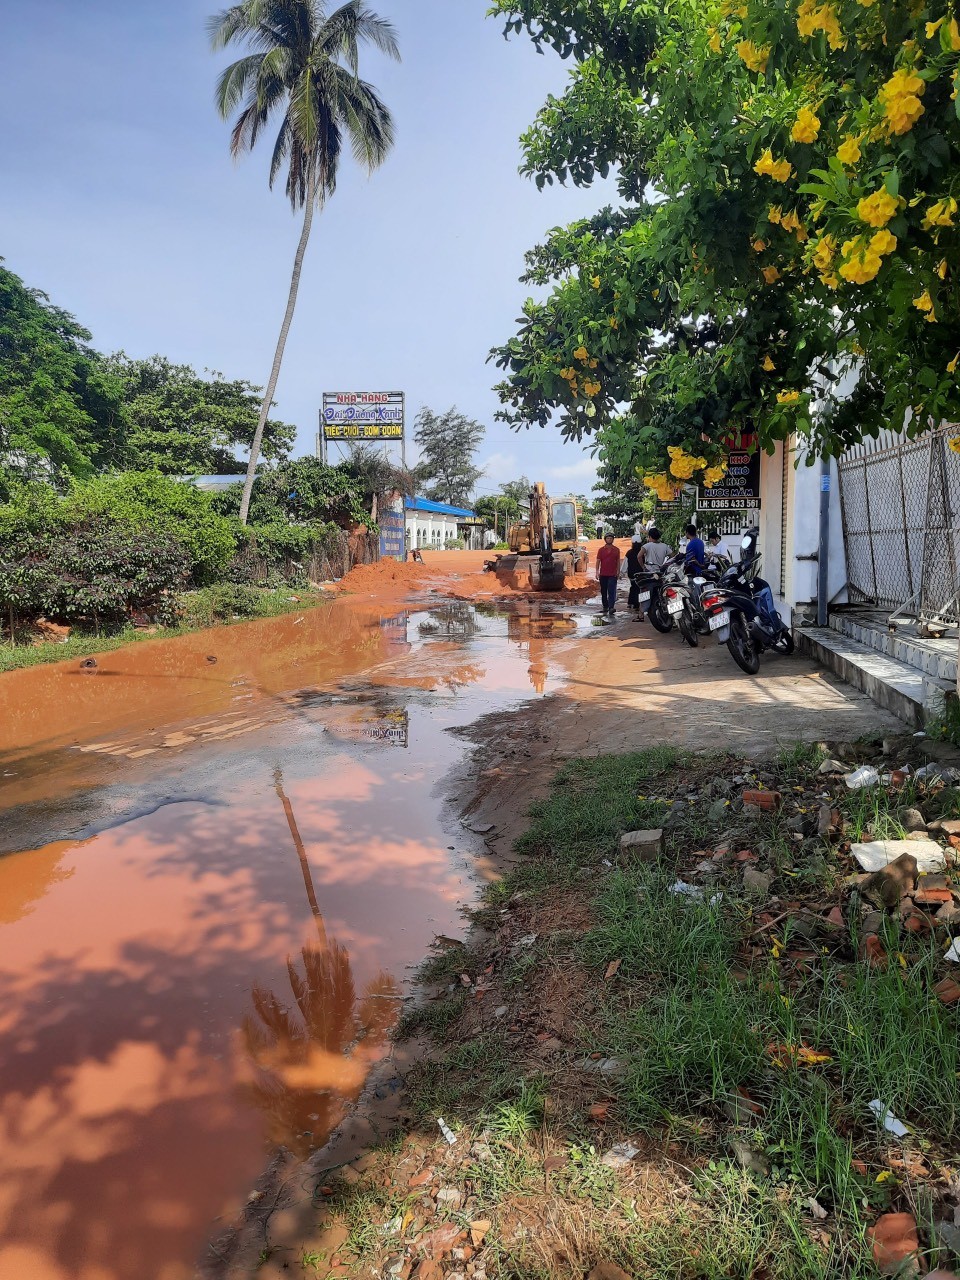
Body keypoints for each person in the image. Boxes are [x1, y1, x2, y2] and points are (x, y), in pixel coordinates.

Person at [595, 532, 621, 616]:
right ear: (605, 539)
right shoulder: (601, 550)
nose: (609, 539)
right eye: (608, 538)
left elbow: (618, 562)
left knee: (612, 591)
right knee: (603, 591)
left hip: (612, 574)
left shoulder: (616, 550)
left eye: (611, 538)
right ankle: (605, 606)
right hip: (603, 574)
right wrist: (597, 572)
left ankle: (611, 607)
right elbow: (598, 561)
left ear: (613, 539)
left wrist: (618, 571)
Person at [625, 534, 645, 613]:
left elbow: (625, 564)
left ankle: (631, 602)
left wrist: (622, 572)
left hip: (632, 574)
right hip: (642, 573)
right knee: (641, 588)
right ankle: (639, 604)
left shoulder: (629, 552)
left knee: (633, 587)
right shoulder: (643, 551)